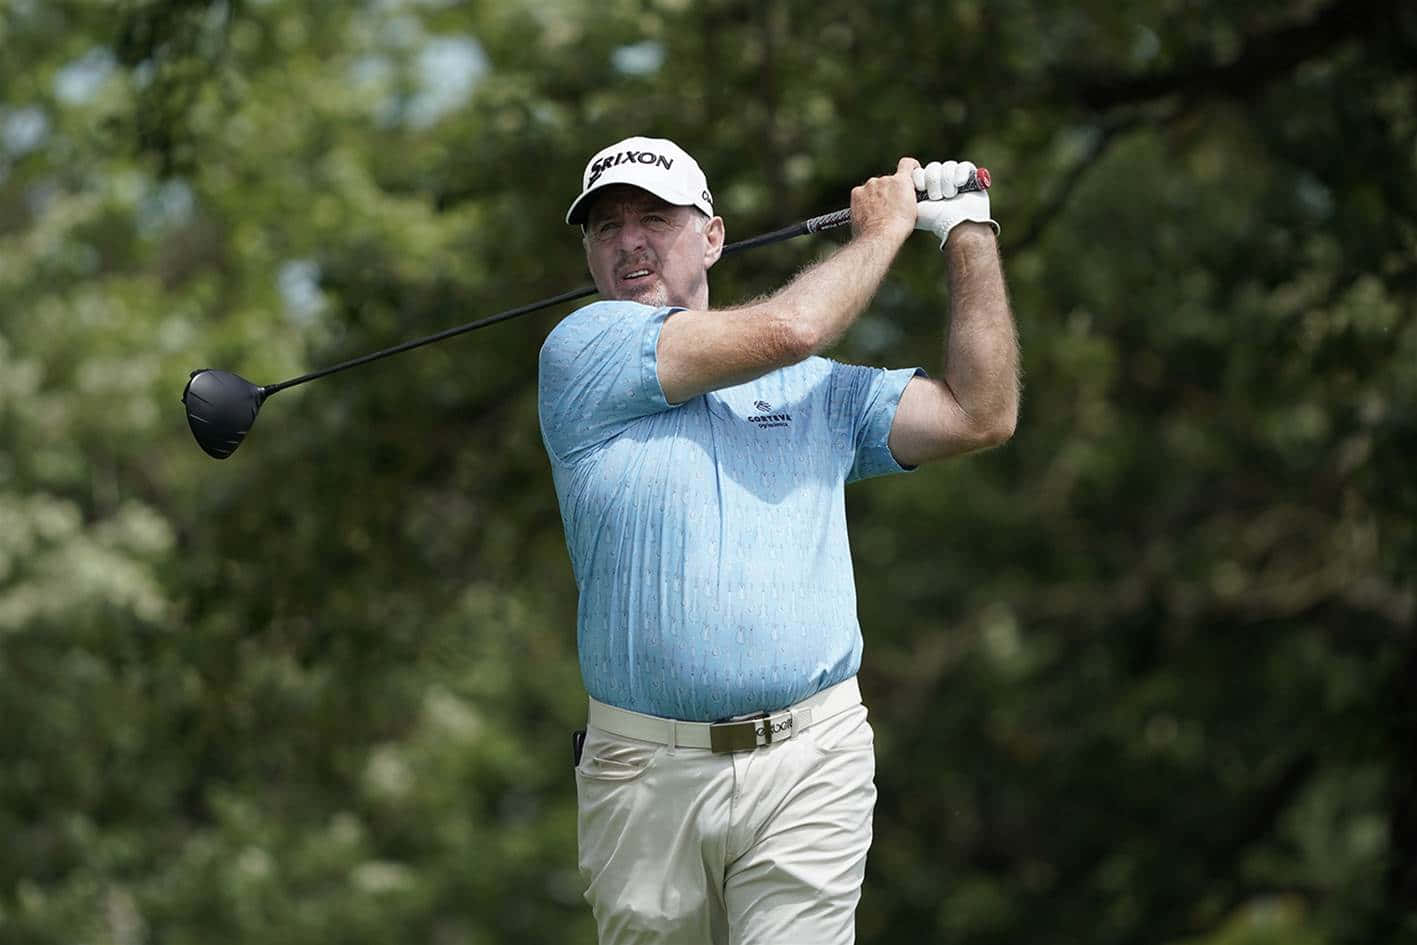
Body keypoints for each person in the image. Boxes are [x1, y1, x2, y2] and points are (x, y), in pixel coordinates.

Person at [537, 135, 1018, 945]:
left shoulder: (815, 390)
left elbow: (980, 413)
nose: (628, 241)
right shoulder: (582, 349)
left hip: (810, 759)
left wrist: (967, 231)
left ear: (712, 237)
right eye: (605, 226)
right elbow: (794, 325)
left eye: (654, 219)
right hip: (644, 772)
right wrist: (882, 231)